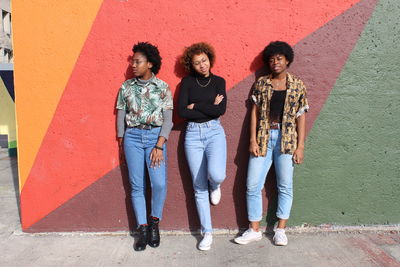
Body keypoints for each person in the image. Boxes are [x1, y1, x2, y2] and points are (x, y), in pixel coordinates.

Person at [234, 41, 309, 246]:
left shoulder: (298, 85)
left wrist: (300, 146)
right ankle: (254, 229)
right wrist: (252, 140)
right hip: (263, 139)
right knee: (252, 185)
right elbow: (254, 113)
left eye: (279, 58)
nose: (275, 62)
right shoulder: (261, 83)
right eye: (271, 58)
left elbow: (301, 117)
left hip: (286, 141)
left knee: (285, 186)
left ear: (287, 60)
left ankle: (281, 229)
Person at [116, 42, 173, 251]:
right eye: (132, 61)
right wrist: (122, 140)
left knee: (158, 184)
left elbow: (168, 120)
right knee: (137, 186)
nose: (133, 65)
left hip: (154, 138)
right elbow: (121, 114)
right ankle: (142, 228)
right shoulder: (126, 87)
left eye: (137, 61)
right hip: (132, 138)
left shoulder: (163, 88)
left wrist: (159, 146)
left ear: (149, 64)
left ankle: (154, 222)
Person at [178, 42, 227, 251]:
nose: (202, 65)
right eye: (197, 63)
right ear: (192, 65)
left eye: (204, 60)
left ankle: (214, 184)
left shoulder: (219, 81)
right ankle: (207, 232)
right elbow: (182, 112)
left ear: (210, 59)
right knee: (198, 186)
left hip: (214, 132)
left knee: (216, 175)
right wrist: (210, 107)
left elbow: (220, 111)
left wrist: (196, 105)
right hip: (192, 136)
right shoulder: (187, 83)